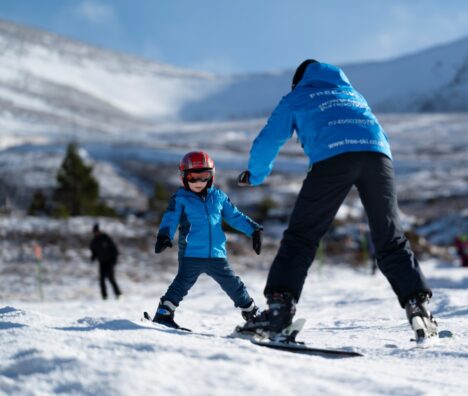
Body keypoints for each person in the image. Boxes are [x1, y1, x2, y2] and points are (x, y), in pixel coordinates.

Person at [236, 59, 436, 342]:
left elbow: (269, 139)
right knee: (390, 237)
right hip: (378, 156)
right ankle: (419, 308)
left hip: (333, 157)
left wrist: (255, 176)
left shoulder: (297, 96)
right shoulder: (352, 94)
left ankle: (279, 311)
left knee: (302, 236)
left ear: (298, 81)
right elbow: (375, 131)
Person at [151, 151, 263, 330]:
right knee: (181, 284)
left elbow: (234, 216)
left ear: (211, 177)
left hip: (216, 254)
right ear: (183, 177)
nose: (198, 183)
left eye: (204, 177)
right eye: (193, 178)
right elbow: (170, 218)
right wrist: (164, 235)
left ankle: (252, 314)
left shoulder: (218, 197)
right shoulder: (181, 198)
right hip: (191, 253)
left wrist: (254, 229)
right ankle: (163, 314)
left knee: (233, 284)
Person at [89, 223, 121, 300]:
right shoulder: (94, 241)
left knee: (111, 279)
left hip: (109, 262)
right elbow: (94, 252)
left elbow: (115, 250)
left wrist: (114, 261)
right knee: (101, 280)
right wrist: (93, 257)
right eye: (94, 232)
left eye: (96, 231)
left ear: (99, 231)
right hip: (102, 263)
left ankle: (118, 294)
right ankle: (104, 296)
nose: (96, 233)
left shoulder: (106, 238)